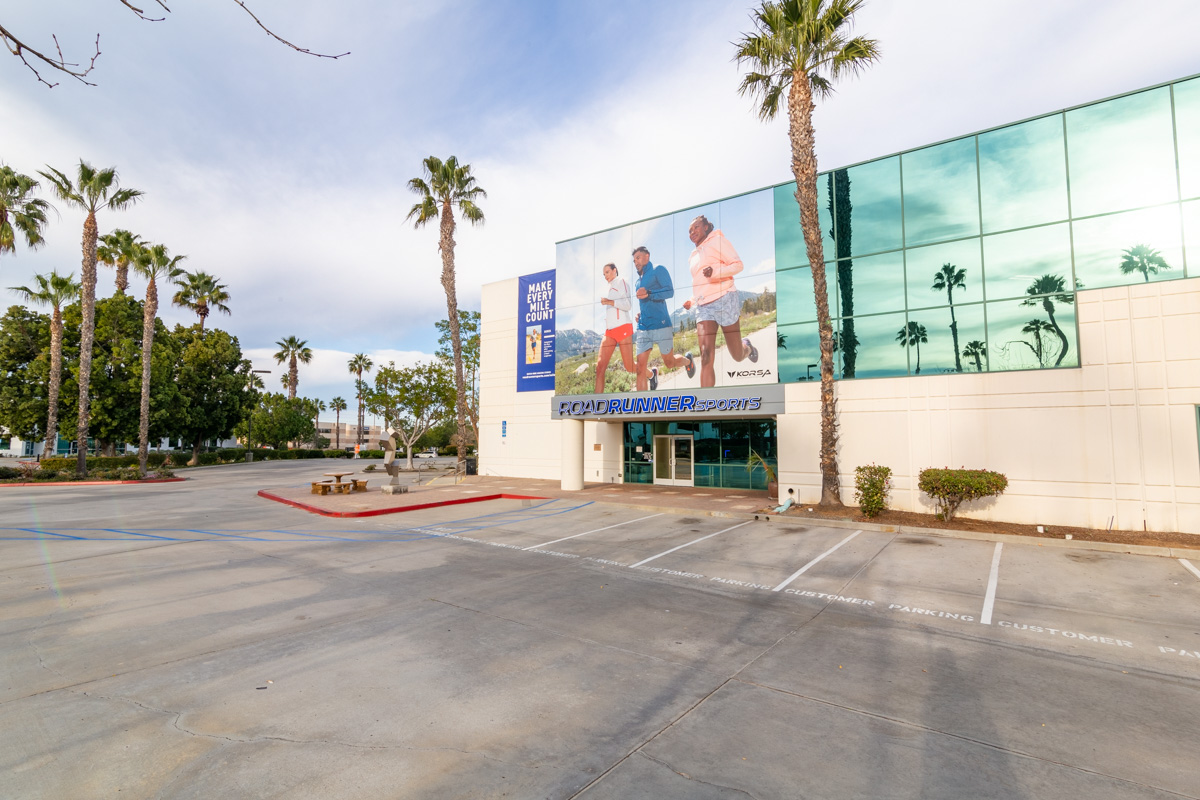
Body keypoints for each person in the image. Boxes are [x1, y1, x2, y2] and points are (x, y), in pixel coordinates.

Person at [682, 215, 758, 388]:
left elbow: (738, 265)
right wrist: (692, 300)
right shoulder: (692, 256)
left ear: (707, 227)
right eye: (690, 230)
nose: (692, 232)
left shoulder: (717, 241)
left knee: (737, 356)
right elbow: (701, 283)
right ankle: (706, 406)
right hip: (703, 307)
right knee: (705, 355)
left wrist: (716, 272)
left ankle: (747, 346)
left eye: (696, 227)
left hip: (725, 298)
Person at [632, 246, 694, 391]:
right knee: (640, 368)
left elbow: (669, 291)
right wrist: (641, 314)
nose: (636, 262)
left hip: (661, 324)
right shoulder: (637, 282)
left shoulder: (658, 270)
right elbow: (645, 302)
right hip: (643, 327)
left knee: (669, 363)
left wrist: (649, 293)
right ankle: (644, 409)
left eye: (638, 258)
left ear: (647, 256)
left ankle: (687, 361)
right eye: (634, 260)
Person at [594, 262, 635, 393]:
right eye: (603, 274)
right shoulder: (609, 288)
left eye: (607, 272)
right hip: (609, 331)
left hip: (623, 327)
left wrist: (609, 302)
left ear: (614, 270)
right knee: (600, 367)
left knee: (629, 367)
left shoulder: (621, 281)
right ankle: (596, 406)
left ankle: (652, 374)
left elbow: (628, 305)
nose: (605, 276)